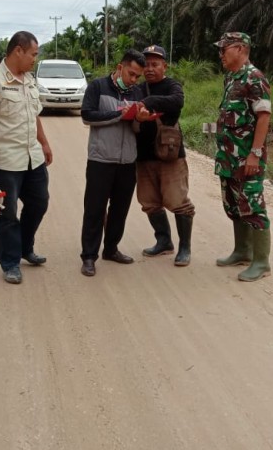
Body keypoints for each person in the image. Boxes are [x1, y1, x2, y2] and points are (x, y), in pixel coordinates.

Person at [0, 31, 53, 285]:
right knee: (6, 214)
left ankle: (24, 247)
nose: (34, 60)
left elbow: (34, 113)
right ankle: (10, 263)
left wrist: (44, 142)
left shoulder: (29, 80)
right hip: (6, 160)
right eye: (33, 54)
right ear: (18, 50)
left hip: (33, 157)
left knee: (39, 203)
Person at [79, 49, 146, 277]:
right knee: (94, 209)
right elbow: (87, 116)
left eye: (138, 76)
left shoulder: (138, 91)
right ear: (120, 67)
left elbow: (137, 129)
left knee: (120, 209)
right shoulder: (98, 86)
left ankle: (111, 249)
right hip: (100, 159)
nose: (134, 79)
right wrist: (120, 114)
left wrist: (139, 119)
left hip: (127, 161)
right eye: (131, 73)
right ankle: (89, 256)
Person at [212, 32, 273, 281]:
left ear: (240, 48)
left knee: (253, 206)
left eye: (224, 49)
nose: (221, 55)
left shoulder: (255, 78)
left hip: (248, 158)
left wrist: (255, 155)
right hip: (228, 157)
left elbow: (264, 117)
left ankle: (262, 262)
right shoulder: (230, 78)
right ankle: (242, 251)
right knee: (234, 205)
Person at [134, 45, 195, 266]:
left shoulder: (172, 86)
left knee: (178, 201)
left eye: (155, 64)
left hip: (170, 156)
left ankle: (185, 248)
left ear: (164, 66)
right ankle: (164, 241)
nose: (150, 69)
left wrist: (149, 102)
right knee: (149, 202)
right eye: (146, 65)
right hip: (143, 156)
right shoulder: (138, 88)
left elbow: (177, 102)